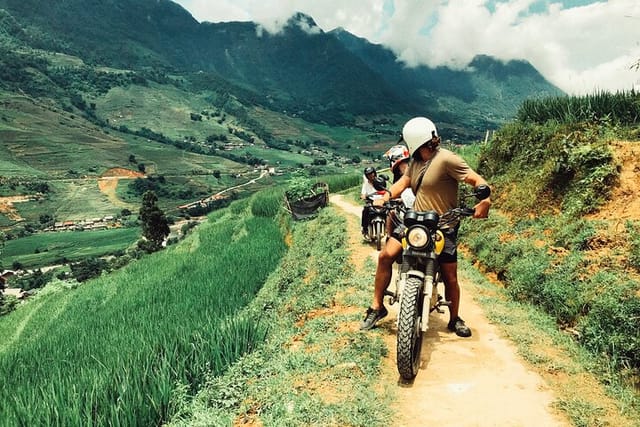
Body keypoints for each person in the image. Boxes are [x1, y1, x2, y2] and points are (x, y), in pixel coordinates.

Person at [360, 117, 491, 337]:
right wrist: (386, 196)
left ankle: (454, 318)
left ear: (413, 140)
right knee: (385, 256)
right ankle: (377, 307)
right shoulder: (415, 162)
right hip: (415, 223)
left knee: (450, 275)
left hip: (443, 225)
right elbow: (403, 183)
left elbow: (476, 180)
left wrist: (485, 200)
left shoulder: (448, 159)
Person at [360, 166, 383, 238]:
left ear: (374, 173)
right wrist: (363, 196)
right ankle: (365, 229)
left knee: (390, 210)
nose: (371, 175)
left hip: (381, 200)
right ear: (366, 176)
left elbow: (385, 189)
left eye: (372, 173)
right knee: (365, 210)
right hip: (371, 201)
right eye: (368, 174)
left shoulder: (380, 181)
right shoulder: (366, 184)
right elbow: (363, 193)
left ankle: (390, 231)